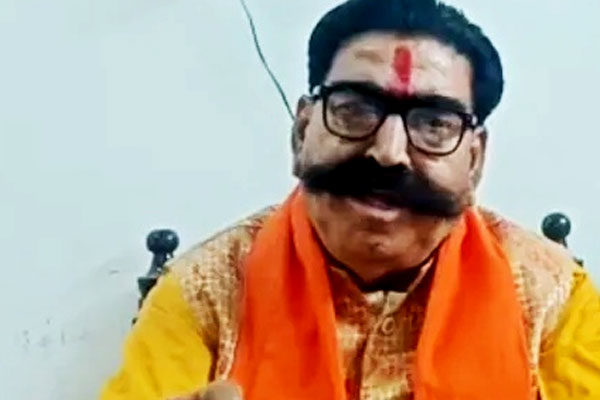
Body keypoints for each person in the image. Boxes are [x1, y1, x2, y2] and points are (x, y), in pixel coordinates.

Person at [100, 0, 600, 399]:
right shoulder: (202, 296)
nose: (388, 152)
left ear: (475, 160)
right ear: (302, 131)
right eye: (355, 108)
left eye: (434, 123)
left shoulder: (551, 300)